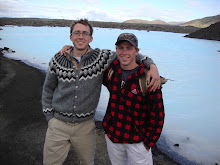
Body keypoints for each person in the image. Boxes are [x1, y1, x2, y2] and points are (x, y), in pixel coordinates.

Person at [42, 19, 160, 165]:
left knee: (87, 162)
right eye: (77, 33)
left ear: (91, 38)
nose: (81, 36)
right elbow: (48, 89)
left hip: (85, 126)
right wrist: (49, 117)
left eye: (85, 33)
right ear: (70, 37)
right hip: (58, 124)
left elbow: (129, 54)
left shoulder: (101, 58)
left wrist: (152, 66)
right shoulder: (57, 59)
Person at [102, 33, 165, 165]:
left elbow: (158, 115)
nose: (124, 52)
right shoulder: (111, 71)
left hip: (138, 142)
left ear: (136, 51)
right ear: (116, 50)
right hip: (113, 137)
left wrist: (148, 143)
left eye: (129, 48)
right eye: (120, 48)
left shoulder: (148, 78)